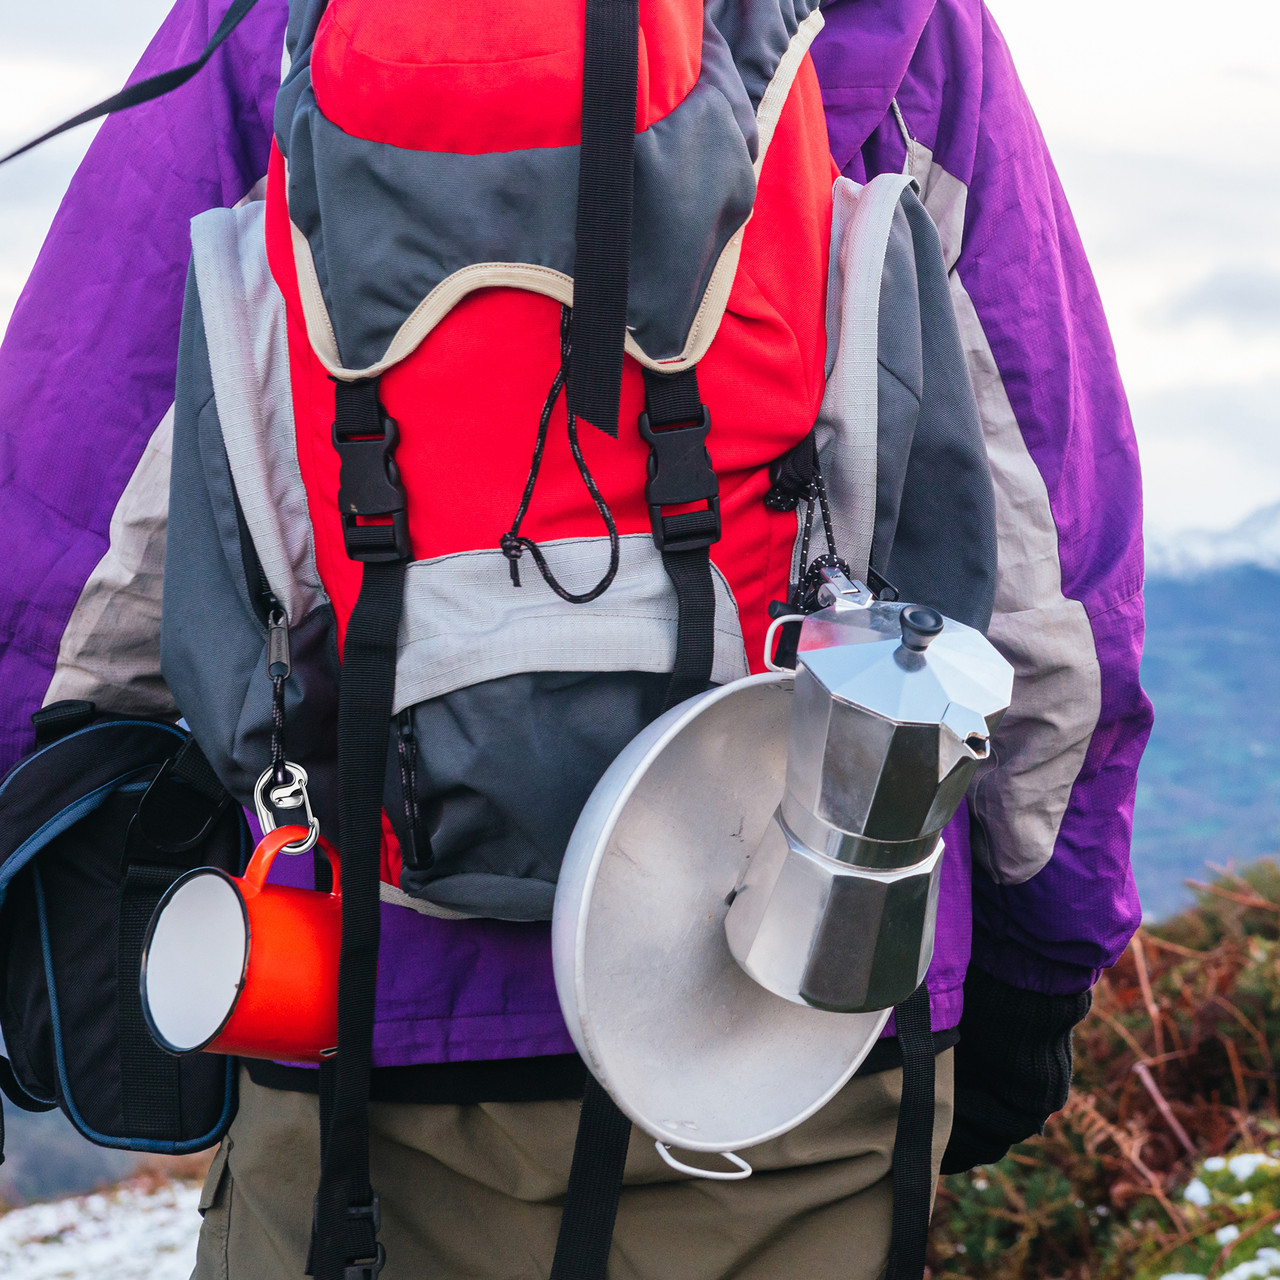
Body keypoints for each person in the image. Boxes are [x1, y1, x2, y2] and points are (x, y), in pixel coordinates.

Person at [0, 0, 1150, 1276]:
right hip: (794, 1020)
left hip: (353, 1012)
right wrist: (1040, 956)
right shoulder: (894, 28)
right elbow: (1049, 572)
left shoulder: (265, 21)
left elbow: (62, 536)